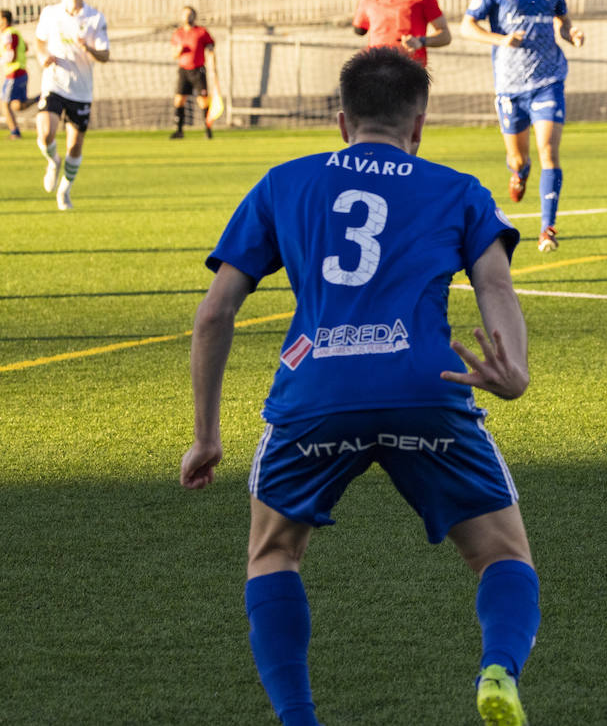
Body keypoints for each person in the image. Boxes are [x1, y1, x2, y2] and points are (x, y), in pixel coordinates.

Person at [178, 47, 539, 726]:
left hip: (317, 387)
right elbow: (494, 281)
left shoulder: (284, 183)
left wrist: (206, 436)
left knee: (275, 551)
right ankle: (498, 668)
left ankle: (299, 718)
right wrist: (512, 370)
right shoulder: (457, 188)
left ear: (342, 121)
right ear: (419, 124)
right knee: (500, 553)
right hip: (425, 386)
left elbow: (213, 313)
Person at [460, 0, 585, 254]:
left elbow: (562, 18)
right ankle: (520, 171)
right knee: (518, 157)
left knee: (549, 150)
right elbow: (466, 27)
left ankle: (547, 228)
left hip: (548, 80)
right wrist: (501, 39)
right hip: (509, 84)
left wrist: (570, 33)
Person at [34, 0, 109, 211]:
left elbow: (105, 54)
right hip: (54, 83)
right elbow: (40, 41)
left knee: (74, 145)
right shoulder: (50, 13)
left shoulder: (95, 18)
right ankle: (53, 162)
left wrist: (88, 48)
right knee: (45, 132)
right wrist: (42, 56)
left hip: (81, 89)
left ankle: (64, 190)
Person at [171, 6, 219, 140]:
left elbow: (210, 47)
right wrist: (178, 51)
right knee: (179, 100)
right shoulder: (178, 34)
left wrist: (213, 65)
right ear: (182, 16)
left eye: (190, 14)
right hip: (183, 70)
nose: (188, 17)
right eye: (185, 14)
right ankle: (179, 130)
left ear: (194, 16)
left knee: (203, 101)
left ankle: (208, 130)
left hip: (198, 70)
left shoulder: (201, 32)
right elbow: (174, 54)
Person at [1, 8, 28, 138]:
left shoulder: (8, 34)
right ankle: (41, 98)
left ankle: (15, 133)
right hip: (20, 71)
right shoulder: (16, 32)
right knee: (17, 105)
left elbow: (10, 55)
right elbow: (26, 47)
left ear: (4, 20)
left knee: (4, 104)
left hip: (14, 73)